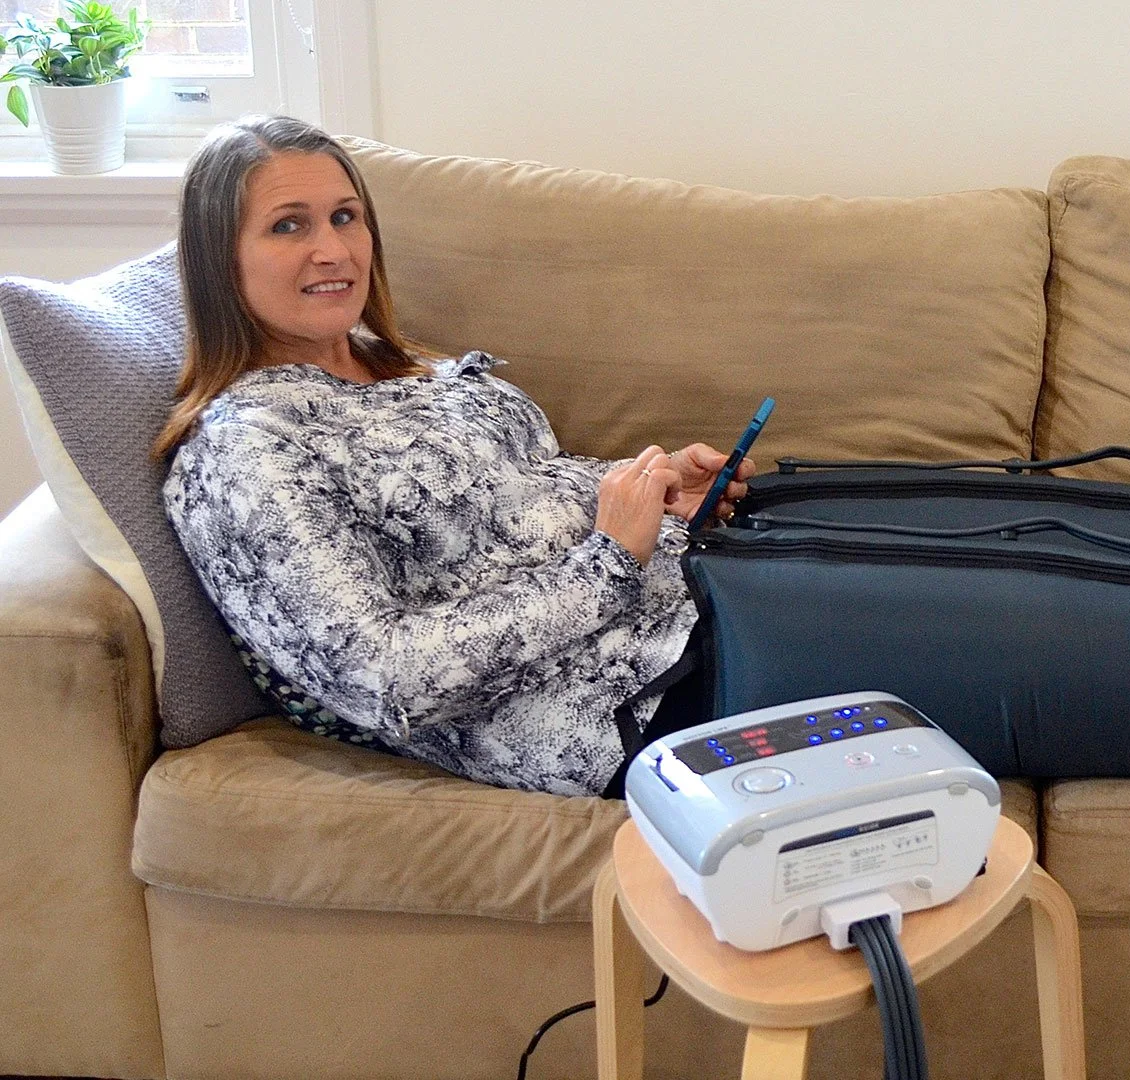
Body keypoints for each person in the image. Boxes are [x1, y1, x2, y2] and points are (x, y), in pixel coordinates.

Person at [154, 114, 754, 798]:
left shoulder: (404, 368)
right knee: (893, 639)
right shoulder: (246, 449)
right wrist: (610, 561)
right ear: (219, 259)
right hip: (629, 697)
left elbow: (514, 495)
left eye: (345, 217)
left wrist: (651, 487)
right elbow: (386, 676)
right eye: (289, 226)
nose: (333, 251)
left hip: (704, 601)